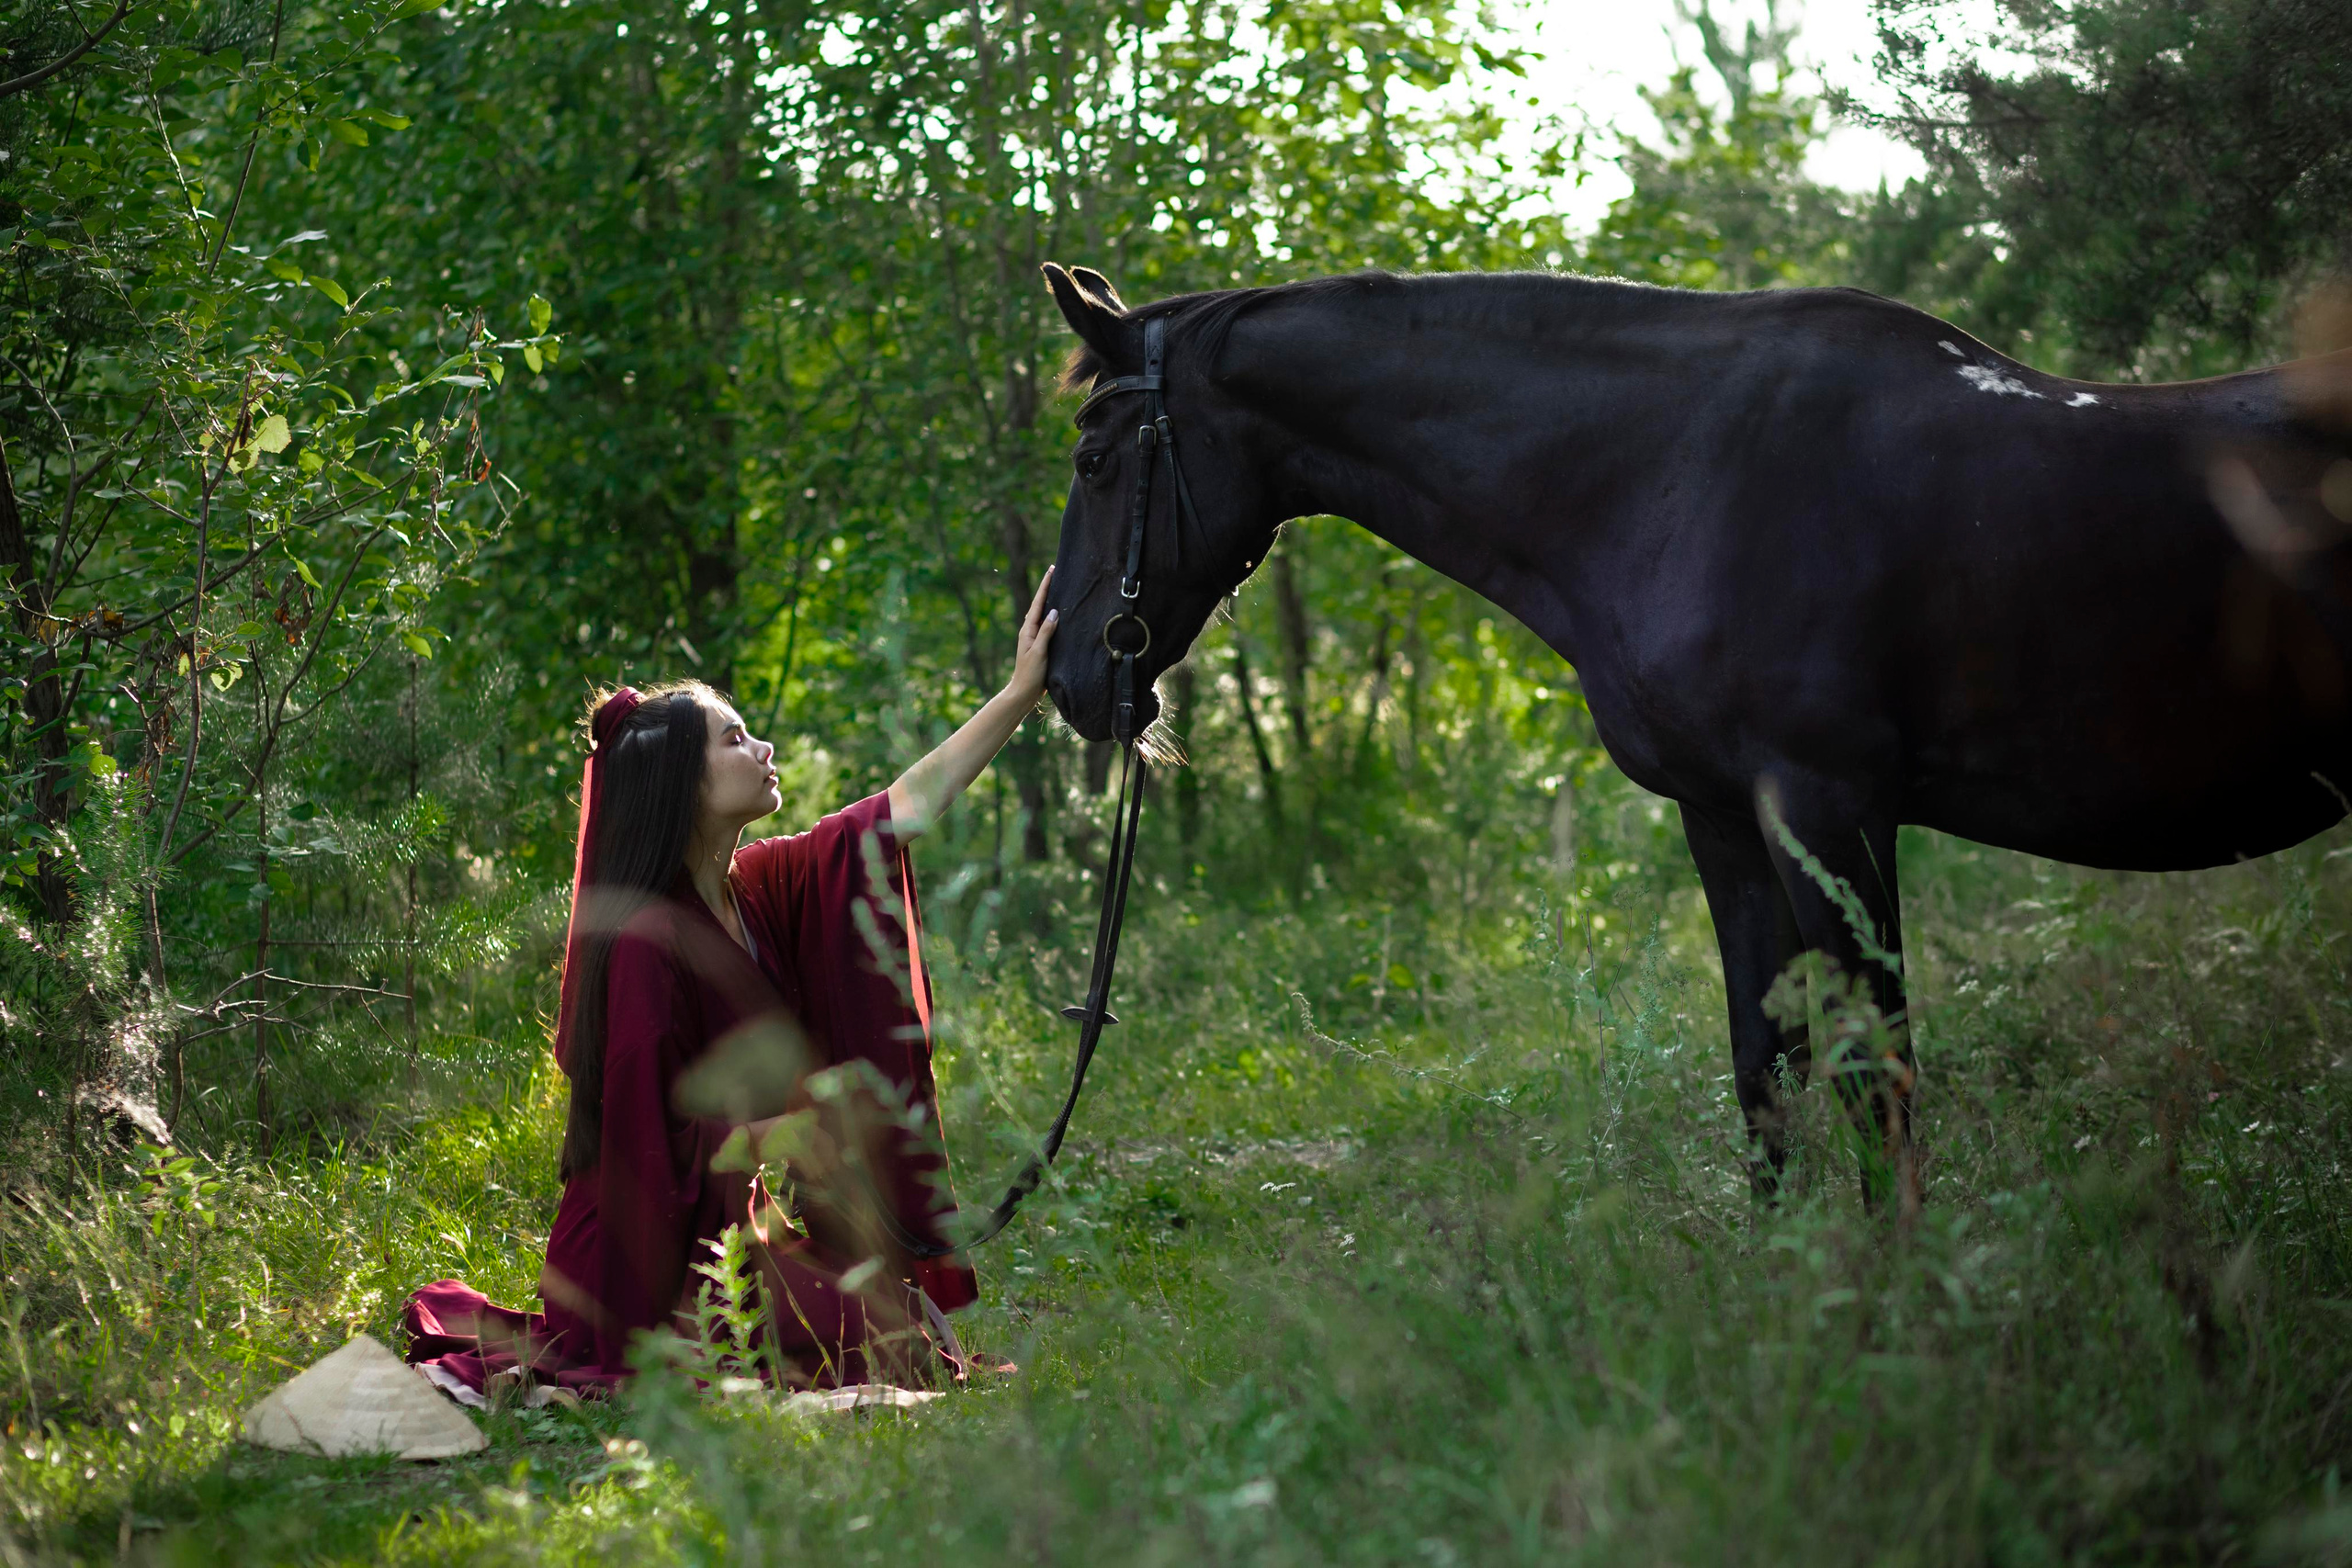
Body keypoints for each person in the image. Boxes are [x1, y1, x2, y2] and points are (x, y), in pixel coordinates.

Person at [403, 572, 1060, 1397]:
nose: (764, 750)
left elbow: (892, 816)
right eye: (737, 739)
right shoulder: (646, 944)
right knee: (889, 1342)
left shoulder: (758, 886)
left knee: (905, 1330)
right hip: (644, 1266)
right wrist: (769, 1138)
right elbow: (643, 1149)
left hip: (730, 1234)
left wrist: (1019, 693)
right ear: (683, 784)